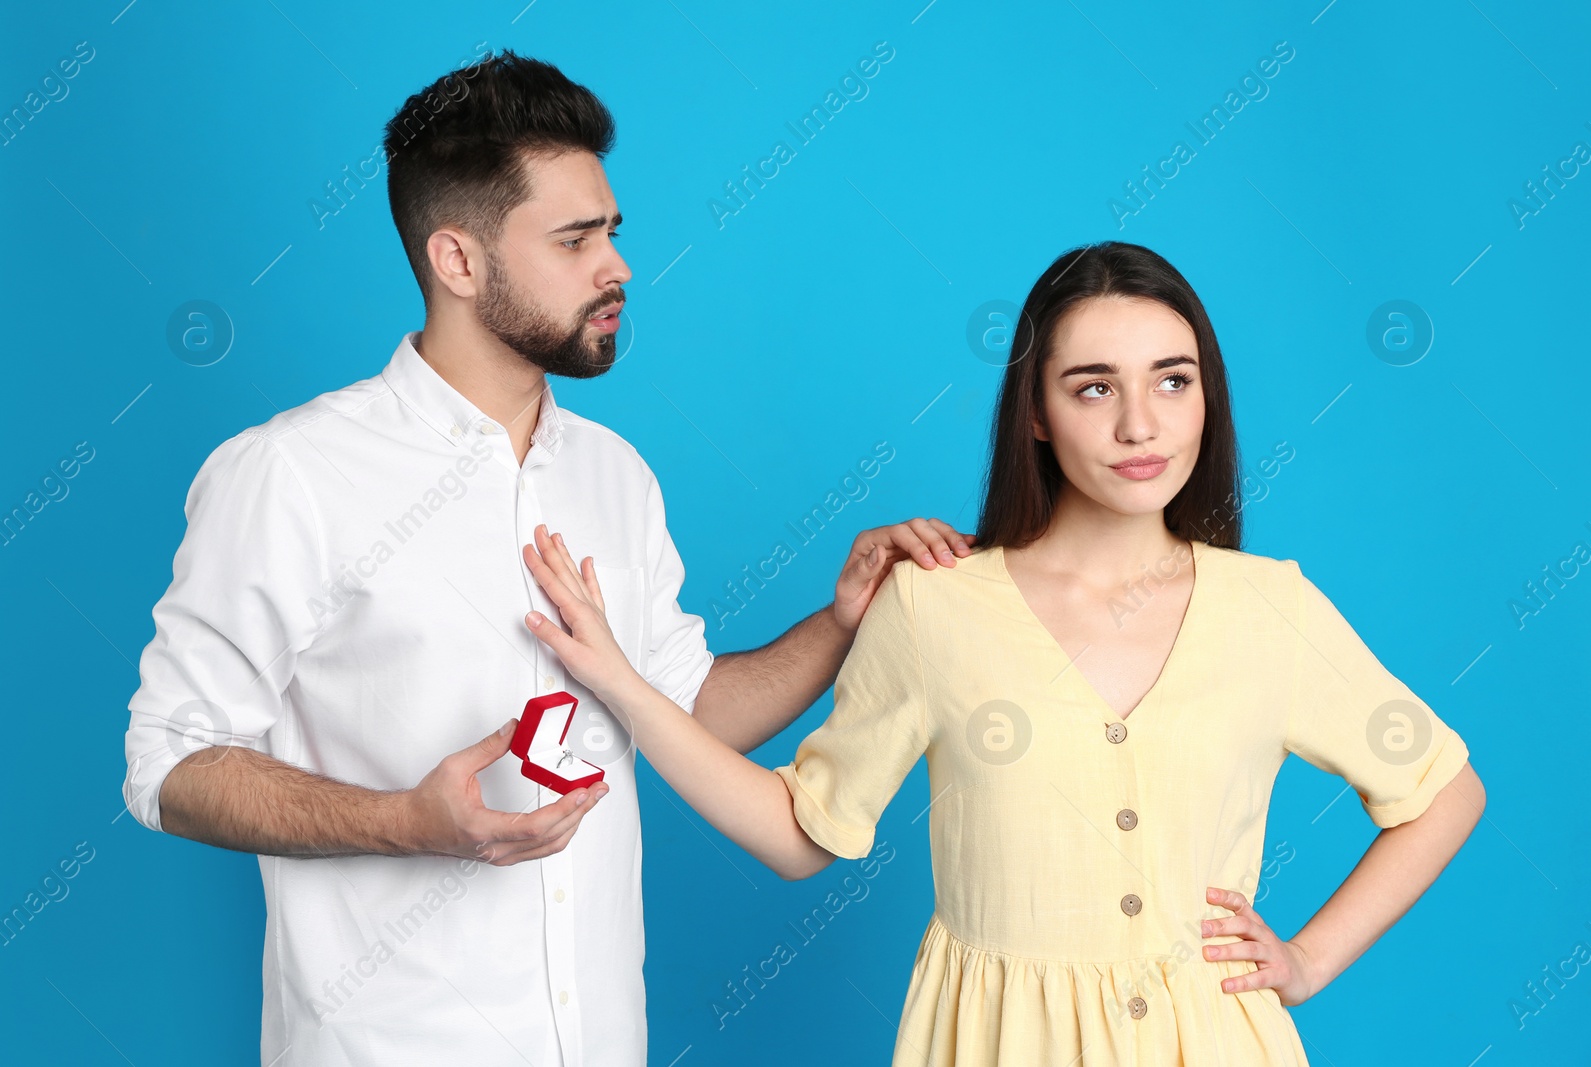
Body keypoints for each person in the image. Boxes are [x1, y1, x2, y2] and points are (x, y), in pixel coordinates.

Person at [120, 49, 972, 1067]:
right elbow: (168, 760)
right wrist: (405, 822)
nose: (617, 266)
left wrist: (841, 624)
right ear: (458, 261)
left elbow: (681, 708)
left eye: (612, 231)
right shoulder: (288, 473)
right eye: (575, 239)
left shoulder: (616, 473)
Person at [516, 241, 1487, 1065]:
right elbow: (799, 831)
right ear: (1035, 410)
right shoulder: (937, 605)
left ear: (1205, 398)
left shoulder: (1269, 605)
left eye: (1172, 380)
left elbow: (1445, 790)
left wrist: (1308, 959)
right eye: (1093, 385)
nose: (1138, 423)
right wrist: (624, 686)